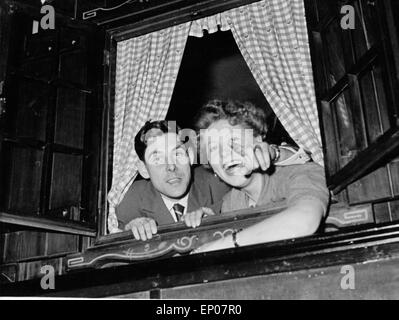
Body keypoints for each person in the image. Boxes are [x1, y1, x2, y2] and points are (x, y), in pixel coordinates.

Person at [193, 100, 330, 252]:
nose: (224, 154)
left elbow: (305, 220)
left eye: (233, 140)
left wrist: (225, 244)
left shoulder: (301, 173)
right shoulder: (231, 202)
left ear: (257, 140)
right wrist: (206, 221)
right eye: (212, 149)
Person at [116, 120, 287, 241]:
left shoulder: (219, 179)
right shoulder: (130, 199)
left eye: (178, 154)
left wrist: (273, 152)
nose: (171, 167)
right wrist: (129, 232)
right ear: (144, 169)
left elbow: (272, 178)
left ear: (190, 156)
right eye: (157, 158)